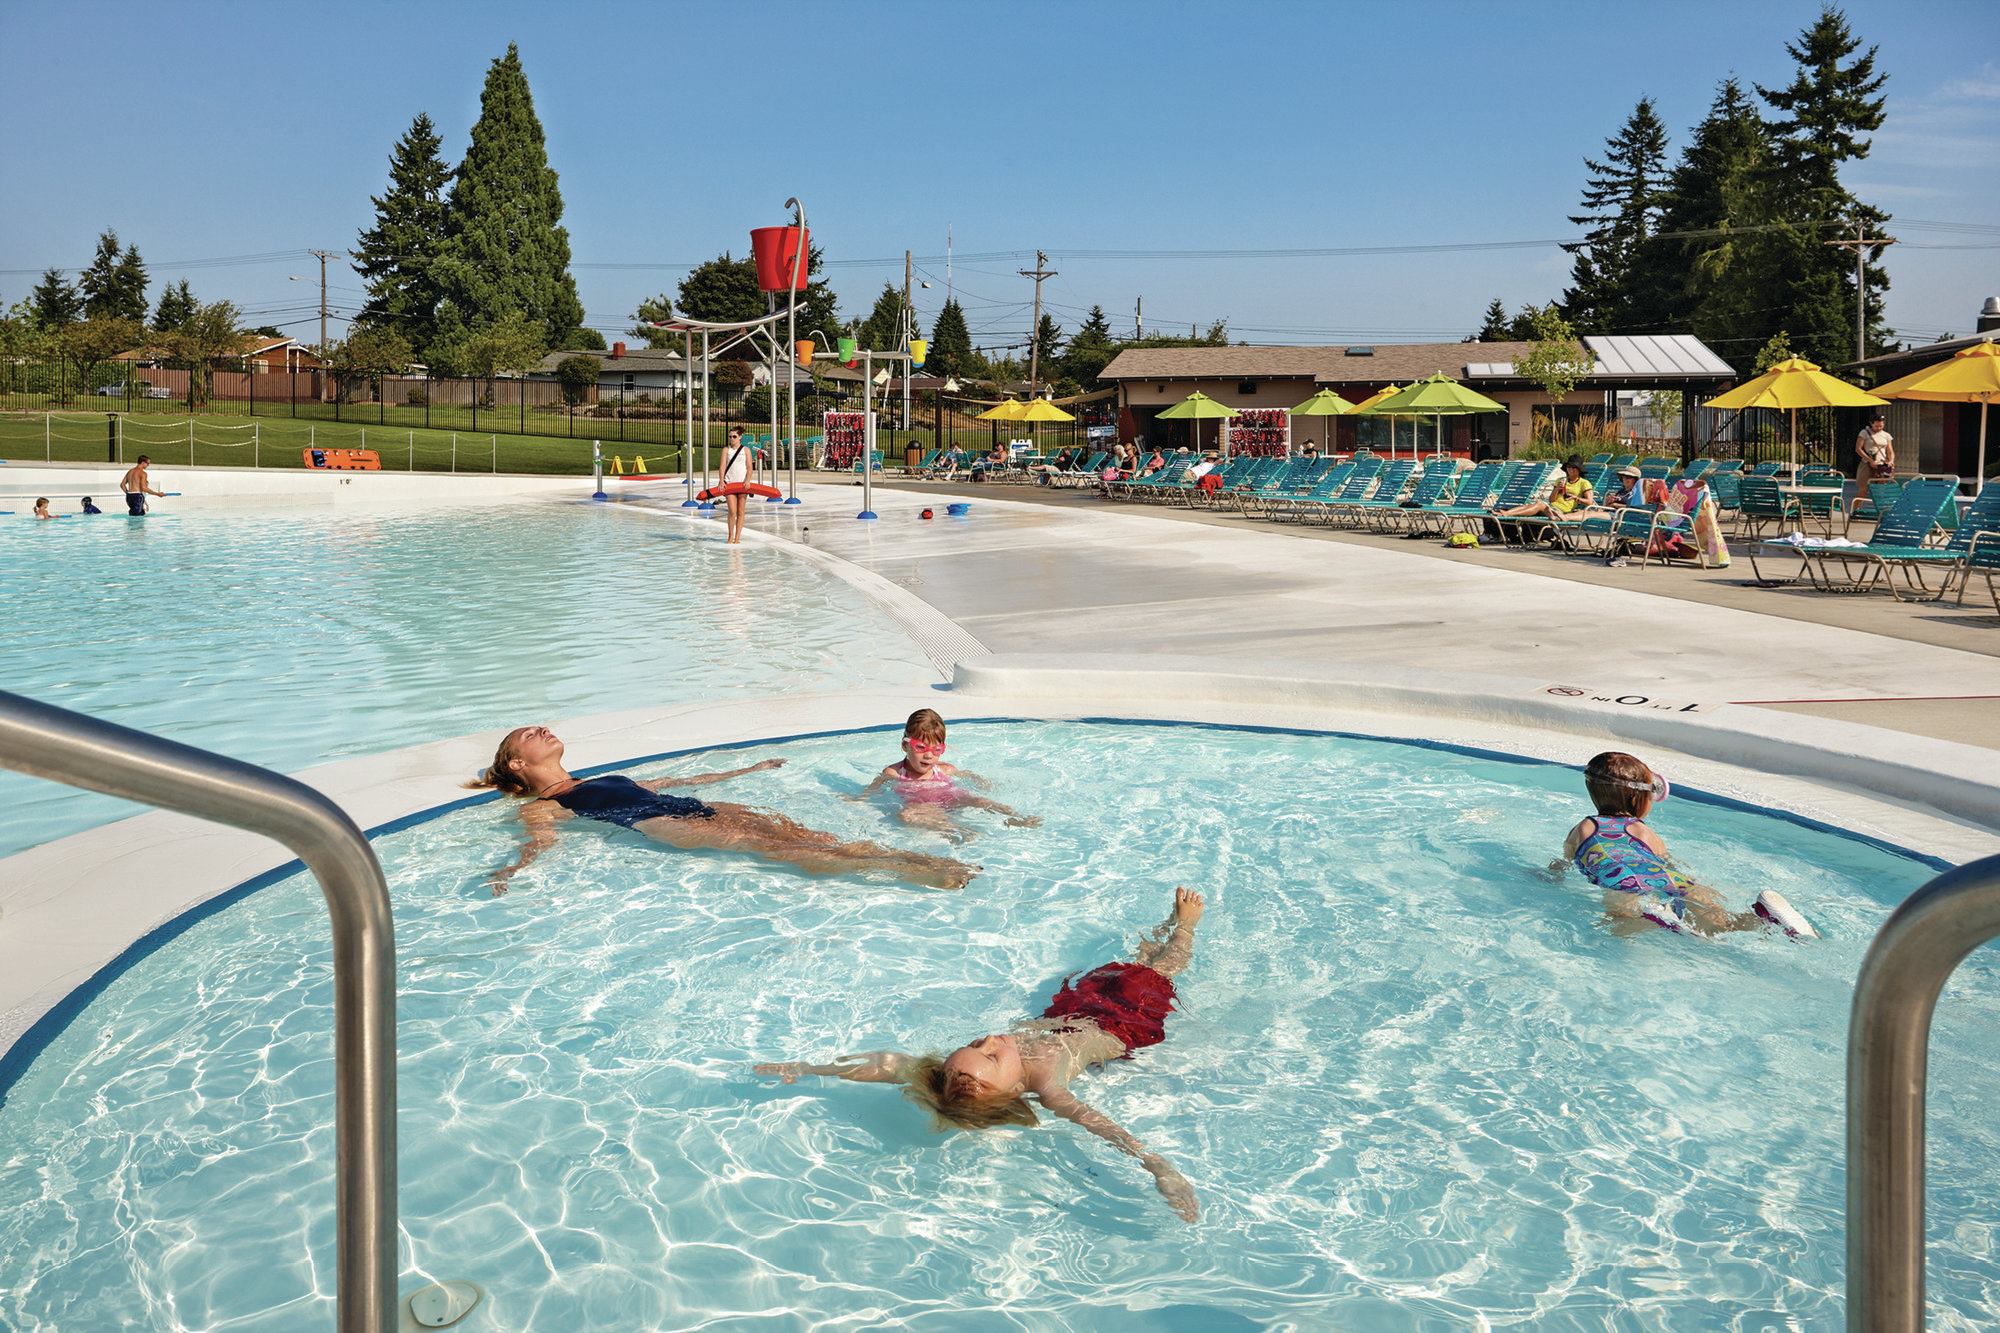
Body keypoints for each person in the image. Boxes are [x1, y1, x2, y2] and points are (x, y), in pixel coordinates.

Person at [755, 886, 1207, 1221]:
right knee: (1158, 969)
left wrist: (808, 1068)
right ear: (1012, 1088)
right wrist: (1158, 1168)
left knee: (1126, 964)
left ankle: (1158, 934)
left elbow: (892, 1066)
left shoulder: (970, 1072)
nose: (989, 1040)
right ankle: (1184, 927)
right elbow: (1107, 1131)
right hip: (1125, 1024)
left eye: (973, 1045)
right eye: (989, 1054)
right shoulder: (1049, 1086)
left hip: (1068, 1013)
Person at [472, 725, 978, 894]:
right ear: (517, 763)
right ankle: (910, 871)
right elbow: (538, 840)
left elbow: (679, 779)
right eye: (528, 734)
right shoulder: (545, 804)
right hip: (656, 822)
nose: (542, 730)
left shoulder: (593, 778)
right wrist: (512, 870)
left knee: (799, 834)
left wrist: (746, 771)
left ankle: (897, 857)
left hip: (686, 803)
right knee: (779, 849)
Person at [1559, 751, 1815, 938]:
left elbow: (1567, 859)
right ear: (1639, 798)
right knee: (1720, 922)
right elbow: (1667, 863)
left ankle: (1658, 921)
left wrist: (1552, 874)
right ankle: (1762, 919)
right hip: (1669, 878)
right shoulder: (1643, 832)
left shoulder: (1584, 827)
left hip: (1621, 882)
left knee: (1622, 928)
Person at [851, 708, 1040, 845]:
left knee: (980, 800)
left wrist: (981, 782)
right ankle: (958, 831)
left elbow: (966, 775)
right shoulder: (894, 773)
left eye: (937, 750)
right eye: (920, 747)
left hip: (952, 798)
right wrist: (859, 799)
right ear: (905, 745)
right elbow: (875, 787)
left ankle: (1017, 818)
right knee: (906, 814)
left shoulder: (944, 769)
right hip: (922, 808)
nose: (929, 755)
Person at [1497, 455, 1593, 528]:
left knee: (1539, 504)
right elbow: (1551, 500)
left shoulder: (1584, 483)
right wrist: (1557, 489)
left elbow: (1590, 502)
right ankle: (1507, 513)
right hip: (1552, 507)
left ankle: (1507, 514)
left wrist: (1576, 498)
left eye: (1573, 467)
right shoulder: (1561, 480)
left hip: (1562, 512)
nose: (1570, 469)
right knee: (1533, 504)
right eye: (1568, 467)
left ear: (1579, 469)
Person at [717, 428, 754, 545]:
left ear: (740, 437)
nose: (732, 439)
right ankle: (730, 536)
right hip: (730, 483)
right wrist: (721, 481)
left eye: (734, 437)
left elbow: (749, 467)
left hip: (742, 484)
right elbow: (722, 466)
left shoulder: (746, 450)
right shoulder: (726, 450)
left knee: (741, 511)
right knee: (732, 511)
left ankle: (737, 538)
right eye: (730, 437)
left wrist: (748, 480)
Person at [1855, 413, 1895, 508]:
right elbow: (1858, 449)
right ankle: (1855, 509)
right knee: (1864, 488)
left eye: (1881, 426)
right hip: (1868, 463)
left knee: (1881, 489)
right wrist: (1870, 460)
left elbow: (1890, 451)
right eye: (1877, 426)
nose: (1879, 428)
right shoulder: (1864, 433)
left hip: (1881, 464)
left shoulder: (1886, 435)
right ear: (1871, 424)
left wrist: (1891, 461)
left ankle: (1881, 511)